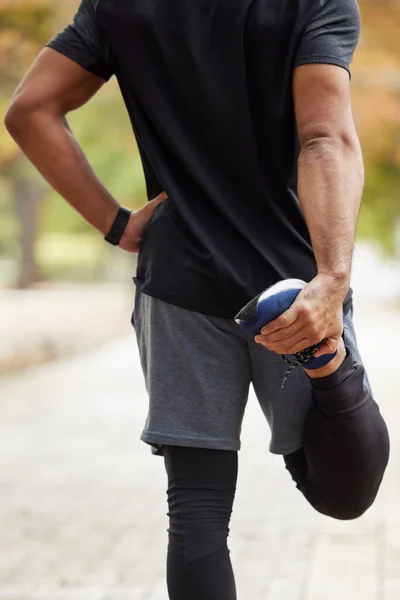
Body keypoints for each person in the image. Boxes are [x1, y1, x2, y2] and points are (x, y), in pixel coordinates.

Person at [5, 0, 390, 598]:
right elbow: (325, 138)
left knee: (197, 513)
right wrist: (332, 282)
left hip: (181, 275)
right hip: (294, 290)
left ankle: (327, 362)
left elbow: (30, 110)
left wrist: (117, 224)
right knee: (343, 493)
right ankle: (328, 364)